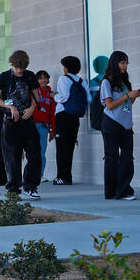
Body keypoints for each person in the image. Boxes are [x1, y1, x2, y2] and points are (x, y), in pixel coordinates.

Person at [0, 50, 42, 199]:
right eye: (17, 68)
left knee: (35, 154)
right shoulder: (4, 77)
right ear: (12, 64)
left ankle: (31, 185)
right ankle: (13, 187)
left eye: (22, 68)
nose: (20, 71)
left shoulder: (30, 76)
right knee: (12, 156)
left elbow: (36, 96)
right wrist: (10, 107)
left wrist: (32, 108)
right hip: (10, 122)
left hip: (28, 121)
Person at [100, 50, 140, 200]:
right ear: (114, 63)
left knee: (127, 158)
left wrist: (133, 96)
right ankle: (111, 191)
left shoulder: (125, 82)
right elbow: (109, 105)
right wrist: (127, 96)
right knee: (111, 158)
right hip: (111, 123)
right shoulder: (107, 82)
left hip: (126, 124)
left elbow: (127, 103)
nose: (124, 66)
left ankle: (124, 188)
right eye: (122, 63)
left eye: (126, 63)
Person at [51, 56, 83, 186]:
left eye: (64, 66)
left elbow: (63, 97)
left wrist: (54, 96)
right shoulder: (81, 81)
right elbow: (88, 99)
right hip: (75, 117)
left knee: (61, 148)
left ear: (67, 67)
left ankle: (61, 177)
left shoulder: (64, 79)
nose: (63, 69)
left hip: (63, 116)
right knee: (70, 148)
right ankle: (67, 176)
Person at [33, 70, 56, 183]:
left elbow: (52, 113)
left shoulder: (51, 95)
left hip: (43, 126)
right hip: (32, 125)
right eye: (40, 78)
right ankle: (31, 174)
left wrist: (53, 130)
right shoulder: (33, 92)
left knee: (42, 151)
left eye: (45, 78)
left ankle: (40, 175)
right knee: (32, 151)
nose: (43, 80)